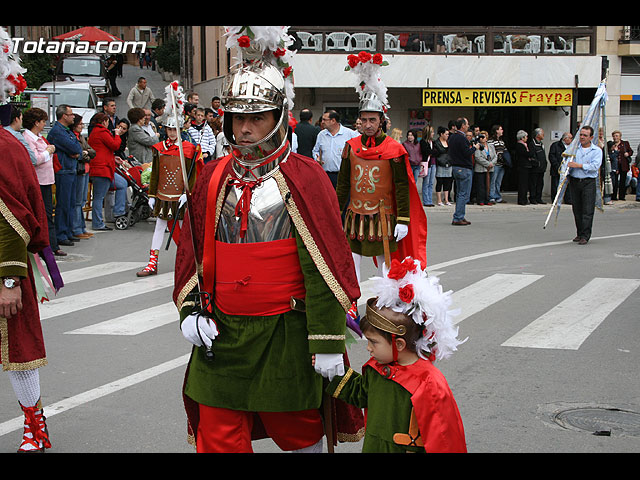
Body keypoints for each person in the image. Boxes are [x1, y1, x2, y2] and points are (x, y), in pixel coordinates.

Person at [172, 28, 364, 453]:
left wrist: (328, 340)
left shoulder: (306, 177)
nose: (244, 128)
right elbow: (191, 254)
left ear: (279, 117)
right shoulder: (212, 177)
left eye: (256, 117)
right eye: (238, 118)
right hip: (221, 331)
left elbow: (326, 267)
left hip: (285, 334)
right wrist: (189, 310)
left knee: (298, 431)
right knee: (217, 433)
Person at [324, 256, 467, 453]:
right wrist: (334, 371)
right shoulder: (378, 369)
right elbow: (361, 394)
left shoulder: (428, 383)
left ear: (398, 344)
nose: (369, 348)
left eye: (374, 342)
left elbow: (443, 438)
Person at [0, 119, 62, 453]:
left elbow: (12, 215)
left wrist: (9, 279)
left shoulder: (5, 147)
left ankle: (34, 425)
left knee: (18, 351)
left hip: (4, 269)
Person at [337, 56, 427, 284]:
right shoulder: (351, 147)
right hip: (354, 217)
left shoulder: (394, 150)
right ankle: (351, 308)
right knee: (351, 263)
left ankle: (382, 309)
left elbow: (401, 187)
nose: (368, 124)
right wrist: (336, 213)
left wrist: (403, 220)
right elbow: (344, 184)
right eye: (364, 119)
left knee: (385, 269)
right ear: (359, 121)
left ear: (381, 121)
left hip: (383, 218)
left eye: (372, 120)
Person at [137, 84, 201, 277]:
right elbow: (156, 172)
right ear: (165, 129)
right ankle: (152, 263)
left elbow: (193, 174)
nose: (172, 133)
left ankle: (189, 264)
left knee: (187, 232)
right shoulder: (158, 148)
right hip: (163, 195)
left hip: (181, 196)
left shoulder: (190, 149)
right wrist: (151, 194)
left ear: (180, 129)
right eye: (169, 129)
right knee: (159, 227)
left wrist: (187, 193)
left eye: (175, 130)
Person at [22, 108, 65, 257]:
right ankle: (42, 246)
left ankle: (51, 245)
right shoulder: (28, 138)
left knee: (47, 213)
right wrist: (48, 151)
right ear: (36, 123)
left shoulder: (39, 137)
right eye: (43, 121)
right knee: (40, 213)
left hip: (46, 180)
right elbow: (36, 159)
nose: (44, 124)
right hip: (37, 181)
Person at [47, 104, 84, 246]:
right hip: (63, 170)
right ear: (64, 116)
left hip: (70, 169)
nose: (73, 116)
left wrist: (75, 150)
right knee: (63, 203)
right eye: (71, 114)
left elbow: (77, 147)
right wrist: (74, 151)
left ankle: (68, 231)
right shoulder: (58, 132)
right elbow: (75, 147)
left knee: (70, 203)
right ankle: (61, 233)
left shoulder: (66, 130)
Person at [87, 112, 126, 231]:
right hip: (102, 168)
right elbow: (114, 145)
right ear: (104, 122)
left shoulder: (94, 132)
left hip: (101, 167)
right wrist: (117, 135)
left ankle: (117, 212)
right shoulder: (102, 132)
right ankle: (99, 222)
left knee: (121, 184)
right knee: (99, 197)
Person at [566, 126, 602, 245]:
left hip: (588, 182)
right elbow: (567, 162)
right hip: (575, 181)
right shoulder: (575, 149)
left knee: (587, 209)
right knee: (577, 209)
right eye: (581, 135)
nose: (582, 137)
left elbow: (595, 166)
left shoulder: (596, 151)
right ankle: (579, 232)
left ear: (591, 137)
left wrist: (580, 165)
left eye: (585, 135)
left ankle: (585, 235)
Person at [312, 109, 359, 188]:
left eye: (324, 119)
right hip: (326, 175)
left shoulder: (350, 134)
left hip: (343, 176)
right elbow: (315, 150)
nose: (322, 122)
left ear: (333, 121)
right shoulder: (321, 135)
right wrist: (317, 157)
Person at [70, 114, 95, 240]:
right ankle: (77, 228)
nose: (82, 126)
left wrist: (86, 153)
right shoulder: (73, 137)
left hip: (85, 170)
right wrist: (85, 153)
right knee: (78, 201)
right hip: (79, 171)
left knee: (82, 200)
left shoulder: (81, 137)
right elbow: (79, 153)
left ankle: (81, 227)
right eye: (80, 124)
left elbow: (91, 151)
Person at [449, 117, 476, 225]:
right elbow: (466, 153)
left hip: (456, 167)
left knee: (461, 193)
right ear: (463, 126)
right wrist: (475, 148)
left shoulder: (452, 137)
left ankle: (460, 215)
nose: (468, 126)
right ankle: (458, 217)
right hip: (464, 168)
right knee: (463, 194)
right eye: (467, 124)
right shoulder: (462, 138)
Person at [607, 130, 633, 201]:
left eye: (617, 136)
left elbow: (631, 151)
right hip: (615, 166)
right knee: (614, 181)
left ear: (620, 137)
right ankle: (614, 196)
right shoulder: (611, 144)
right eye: (614, 136)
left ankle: (622, 196)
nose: (615, 137)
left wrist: (628, 154)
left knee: (622, 181)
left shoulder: (625, 143)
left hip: (623, 165)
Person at [548, 132, 573, 204]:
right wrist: (558, 166)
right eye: (570, 138)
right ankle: (555, 200)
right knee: (556, 185)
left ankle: (568, 199)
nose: (572, 140)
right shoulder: (555, 145)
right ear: (565, 139)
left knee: (567, 186)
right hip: (557, 169)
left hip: (568, 169)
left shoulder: (572, 146)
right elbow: (552, 157)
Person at [473, 131, 495, 205]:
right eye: (481, 137)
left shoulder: (491, 146)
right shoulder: (477, 146)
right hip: (480, 168)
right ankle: (481, 200)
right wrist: (487, 164)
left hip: (490, 169)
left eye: (484, 137)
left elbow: (495, 156)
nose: (482, 139)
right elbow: (477, 157)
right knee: (481, 185)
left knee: (488, 185)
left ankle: (487, 199)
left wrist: (492, 163)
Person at [488, 125, 508, 204]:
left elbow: (504, 151)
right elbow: (490, 152)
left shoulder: (502, 141)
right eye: (501, 129)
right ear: (496, 131)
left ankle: (497, 196)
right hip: (495, 164)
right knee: (493, 181)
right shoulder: (491, 141)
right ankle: (491, 196)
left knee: (498, 182)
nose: (502, 131)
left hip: (502, 164)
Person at [433, 126, 453, 206]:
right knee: (440, 181)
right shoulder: (436, 143)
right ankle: (439, 199)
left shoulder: (449, 142)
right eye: (446, 134)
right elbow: (438, 152)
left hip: (449, 163)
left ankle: (446, 199)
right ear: (441, 134)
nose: (447, 135)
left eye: (448, 134)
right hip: (440, 163)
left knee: (447, 182)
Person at [515, 129, 535, 205]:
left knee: (525, 184)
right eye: (526, 137)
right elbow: (527, 154)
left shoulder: (524, 145)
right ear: (522, 138)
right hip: (522, 166)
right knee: (522, 184)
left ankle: (524, 199)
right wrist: (531, 151)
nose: (527, 138)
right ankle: (522, 200)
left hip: (526, 166)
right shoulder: (520, 145)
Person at [419, 125, 437, 207]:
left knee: (431, 183)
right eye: (432, 132)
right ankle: (426, 200)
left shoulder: (433, 142)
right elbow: (426, 152)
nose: (433, 134)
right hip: (427, 163)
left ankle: (430, 199)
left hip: (433, 163)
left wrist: (432, 151)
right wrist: (432, 151)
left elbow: (437, 151)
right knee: (426, 182)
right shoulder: (423, 142)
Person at [528, 128, 547, 204]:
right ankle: (532, 198)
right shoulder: (532, 144)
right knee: (533, 184)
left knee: (540, 184)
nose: (543, 135)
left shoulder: (541, 144)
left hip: (542, 168)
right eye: (542, 134)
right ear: (538, 135)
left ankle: (539, 198)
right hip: (535, 168)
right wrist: (537, 163)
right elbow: (532, 155)